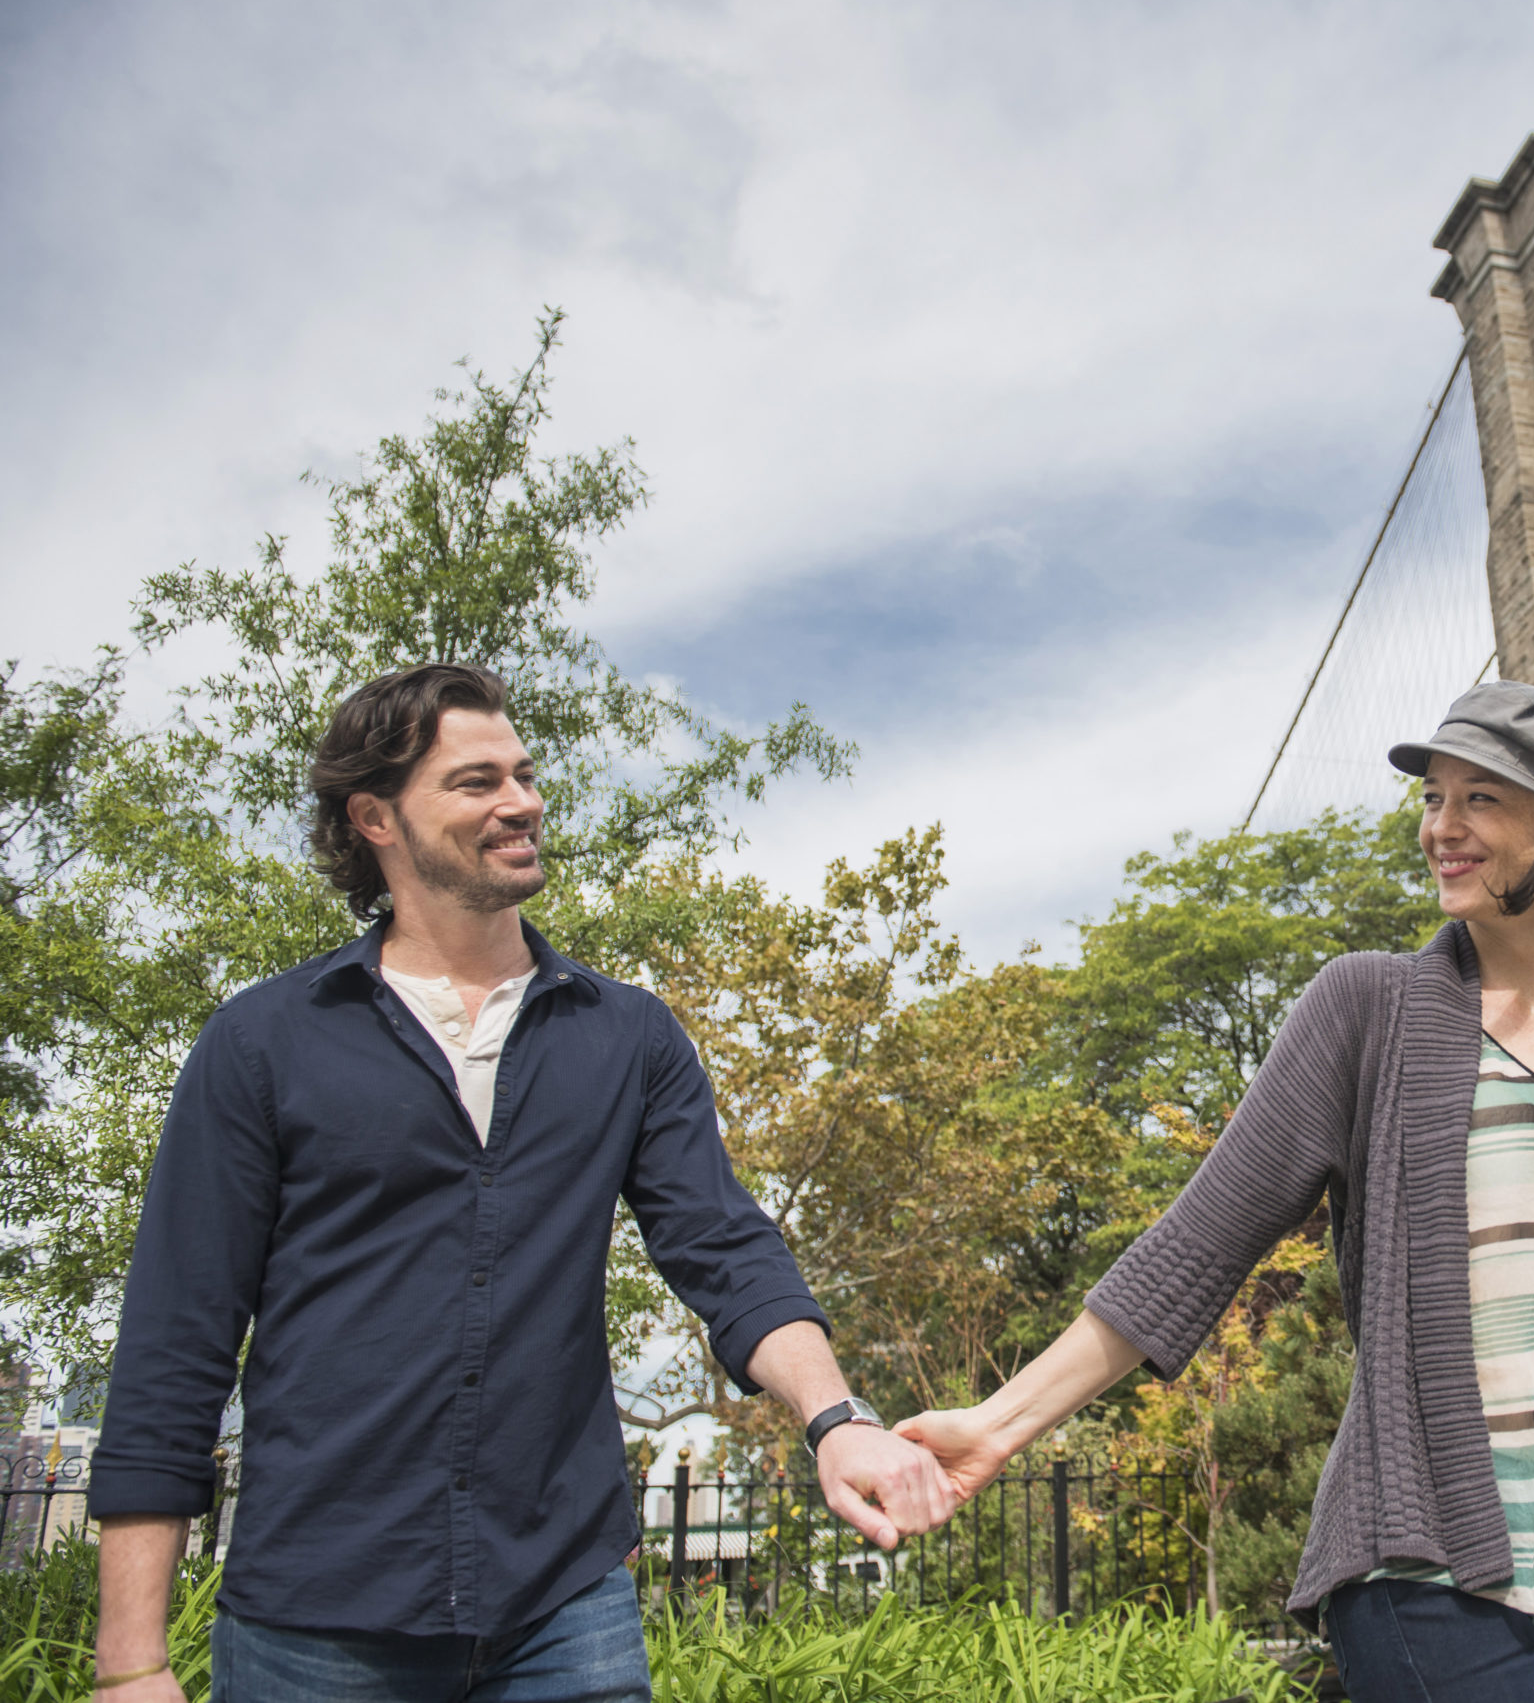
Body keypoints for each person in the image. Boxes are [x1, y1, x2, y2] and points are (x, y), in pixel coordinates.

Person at [86, 663, 956, 1703]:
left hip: (563, 1611)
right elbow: (176, 1340)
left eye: (526, 773)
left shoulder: (626, 1034)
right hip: (315, 1621)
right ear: (375, 817)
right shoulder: (263, 1040)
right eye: (476, 780)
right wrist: (130, 1659)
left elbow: (724, 1250)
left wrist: (835, 1414)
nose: (523, 801)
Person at [900, 681, 1534, 1703]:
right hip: (1426, 1563)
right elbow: (1199, 1241)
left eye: (1480, 799)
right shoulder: (1371, 1006)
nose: (1439, 827)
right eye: (1432, 797)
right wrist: (998, 1424)